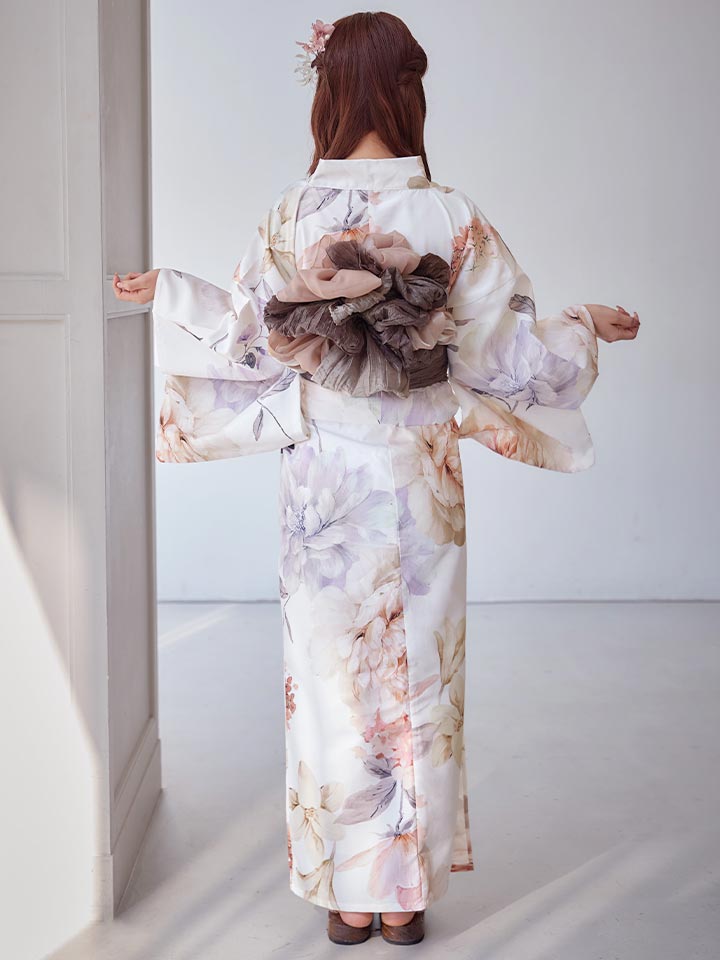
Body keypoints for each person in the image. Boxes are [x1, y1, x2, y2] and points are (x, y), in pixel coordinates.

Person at [113, 10, 640, 946]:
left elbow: (252, 339)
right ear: (407, 92)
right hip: (422, 474)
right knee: (422, 677)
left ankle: (347, 896)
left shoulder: (293, 213)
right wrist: (584, 325)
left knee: (330, 676)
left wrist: (173, 293)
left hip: (324, 479)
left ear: (326, 92)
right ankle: (405, 899)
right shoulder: (452, 215)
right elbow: (508, 358)